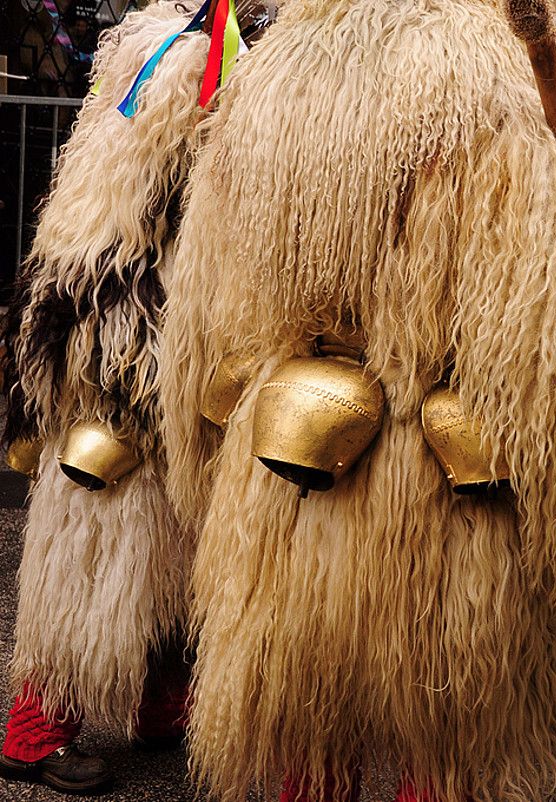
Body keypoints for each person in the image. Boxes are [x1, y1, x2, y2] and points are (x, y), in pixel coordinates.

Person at [157, 0, 556, 800]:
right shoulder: (482, 82)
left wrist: (207, 476)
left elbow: (198, 324)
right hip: (440, 507)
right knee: (445, 751)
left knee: (310, 734)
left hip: (286, 483)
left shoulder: (269, 77)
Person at [0, 3, 213, 792]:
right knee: (98, 540)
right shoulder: (168, 80)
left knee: (179, 543)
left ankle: (163, 705)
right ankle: (35, 730)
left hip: (165, 352)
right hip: (115, 370)